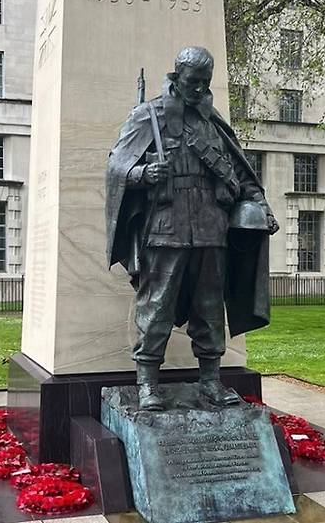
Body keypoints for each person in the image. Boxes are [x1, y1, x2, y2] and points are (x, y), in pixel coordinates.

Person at [105, 46, 278, 411]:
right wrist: (143, 174)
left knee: (210, 308)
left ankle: (211, 381)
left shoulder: (212, 123)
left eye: (204, 82)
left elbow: (240, 174)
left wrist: (259, 206)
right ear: (176, 77)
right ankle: (148, 382)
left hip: (211, 230)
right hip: (166, 229)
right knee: (157, 307)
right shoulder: (147, 116)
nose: (199, 89)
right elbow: (116, 168)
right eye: (192, 81)